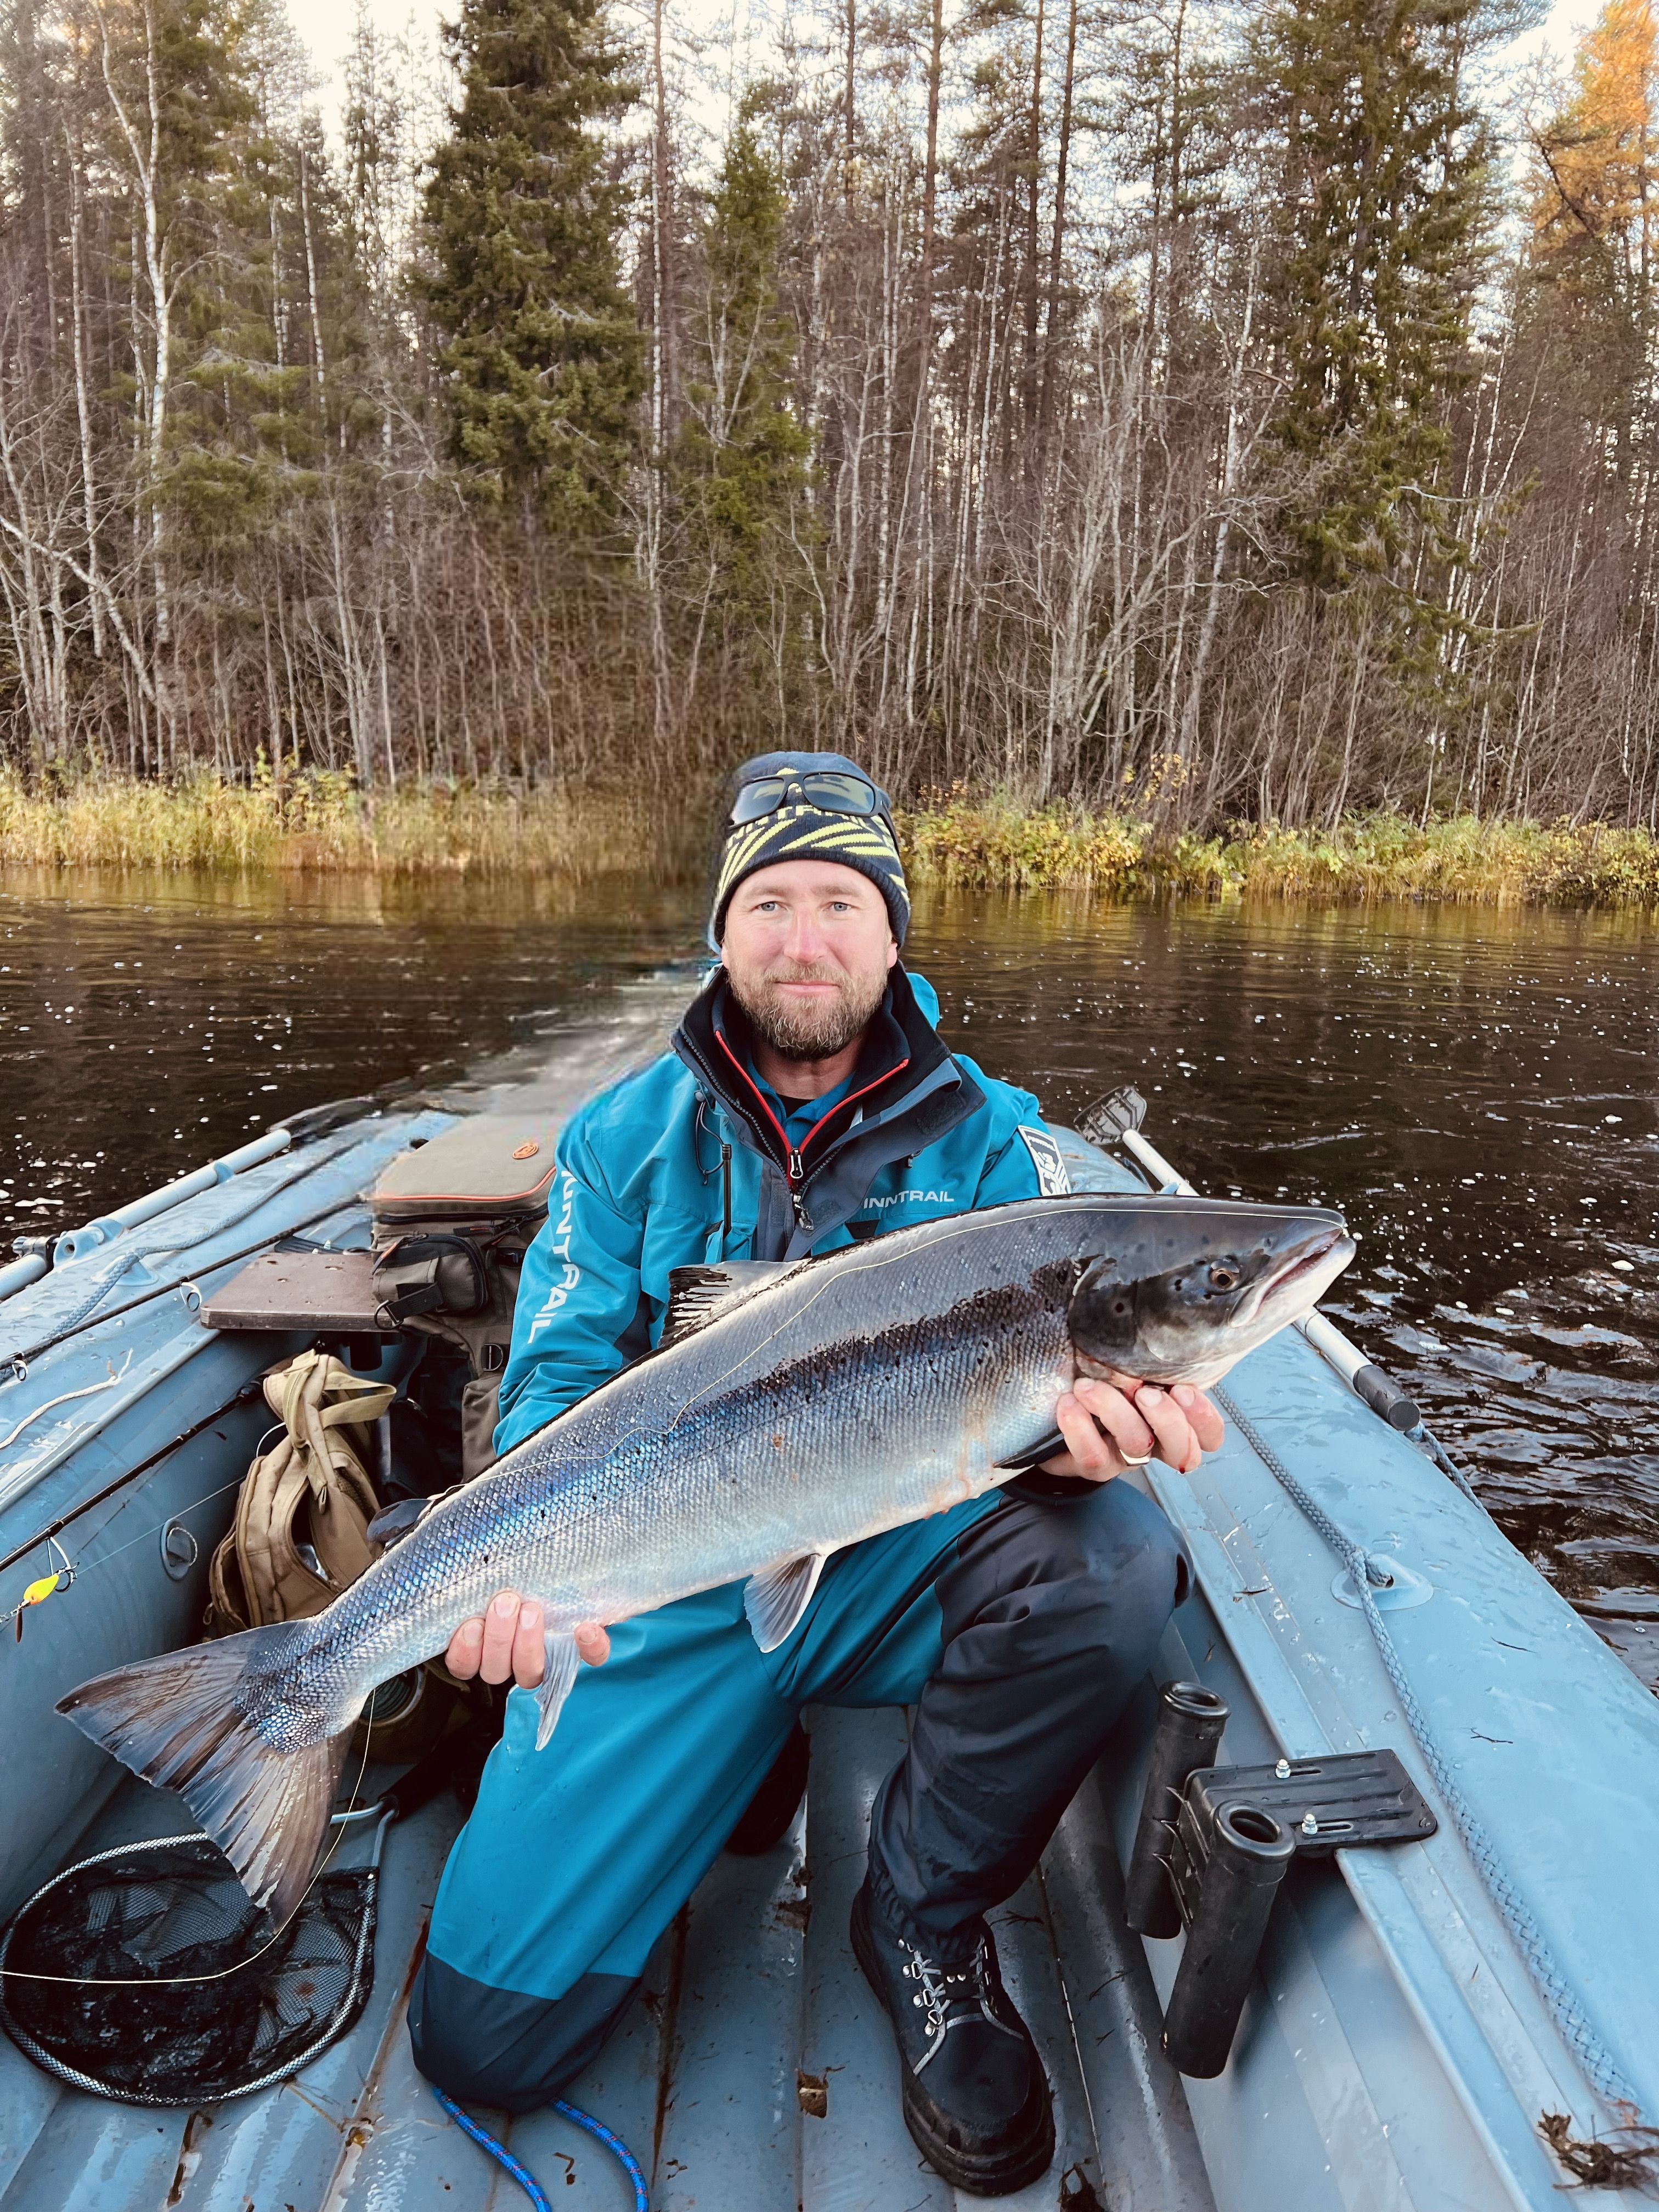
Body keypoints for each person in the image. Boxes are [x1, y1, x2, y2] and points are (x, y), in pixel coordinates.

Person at [407, 751, 1221, 2196]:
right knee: (487, 2041)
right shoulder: (615, 1145)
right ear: (722, 932)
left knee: (1113, 1562)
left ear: (893, 934)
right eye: (768, 901)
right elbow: (550, 1385)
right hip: (665, 1574)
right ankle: (727, 1756)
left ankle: (918, 1912)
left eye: (841, 901)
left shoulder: (990, 1144)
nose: (802, 937)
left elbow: (1010, 1435)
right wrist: (508, 1570)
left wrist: (1078, 1448)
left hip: (888, 1552)